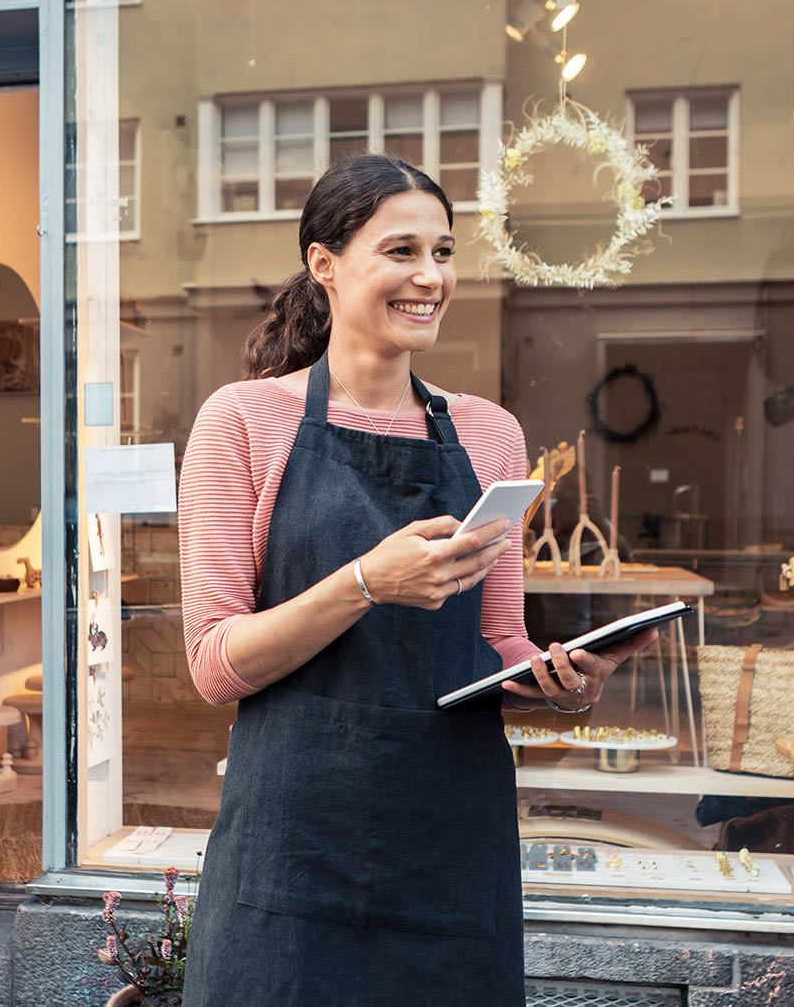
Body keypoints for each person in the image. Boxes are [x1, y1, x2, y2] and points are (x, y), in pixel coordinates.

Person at [177, 154, 658, 1005]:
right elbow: (216, 665)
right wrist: (365, 580)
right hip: (293, 847)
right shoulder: (243, 421)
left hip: (448, 839)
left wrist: (559, 685)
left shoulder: (490, 435)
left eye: (443, 252)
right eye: (401, 251)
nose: (430, 277)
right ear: (324, 264)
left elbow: (493, 642)